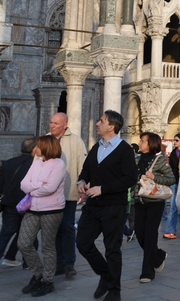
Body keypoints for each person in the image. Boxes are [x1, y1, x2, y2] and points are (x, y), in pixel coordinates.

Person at [76, 110, 138, 301]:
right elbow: (86, 170)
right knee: (83, 243)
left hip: (113, 206)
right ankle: (105, 274)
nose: (97, 123)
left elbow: (130, 178)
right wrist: (81, 181)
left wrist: (103, 189)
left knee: (112, 249)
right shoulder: (96, 147)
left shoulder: (124, 150)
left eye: (101, 121)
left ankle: (114, 291)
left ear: (111, 126)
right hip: (93, 206)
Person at [17, 136, 66, 297]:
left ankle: (48, 280)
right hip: (32, 209)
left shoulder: (59, 164)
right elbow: (23, 184)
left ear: (46, 147)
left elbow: (50, 188)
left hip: (51, 210)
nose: (35, 149)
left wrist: (33, 189)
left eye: (38, 146)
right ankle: (37, 274)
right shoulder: (36, 162)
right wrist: (38, 186)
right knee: (23, 243)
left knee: (48, 247)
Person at [48, 113, 86, 279]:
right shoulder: (45, 139)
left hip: (68, 193)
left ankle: (69, 264)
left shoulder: (76, 141)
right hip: (48, 194)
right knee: (53, 229)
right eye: (51, 122)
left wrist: (83, 187)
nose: (52, 125)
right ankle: (58, 262)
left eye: (56, 123)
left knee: (68, 227)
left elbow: (83, 166)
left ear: (65, 125)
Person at [132, 133, 174, 283]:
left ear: (151, 144)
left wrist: (155, 177)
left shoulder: (160, 160)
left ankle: (147, 271)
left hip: (155, 202)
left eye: (143, 141)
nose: (140, 143)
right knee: (139, 233)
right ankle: (158, 256)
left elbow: (171, 178)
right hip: (139, 200)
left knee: (150, 235)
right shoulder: (136, 159)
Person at [0, 138, 35, 268]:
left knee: (5, 234)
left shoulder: (8, 163)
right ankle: (28, 262)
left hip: (10, 204)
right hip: (27, 205)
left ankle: (10, 256)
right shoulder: (35, 164)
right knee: (29, 234)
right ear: (34, 149)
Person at [163, 133, 180, 239]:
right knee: (173, 207)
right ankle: (170, 230)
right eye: (174, 140)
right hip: (175, 182)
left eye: (177, 140)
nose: (174, 142)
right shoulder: (173, 153)